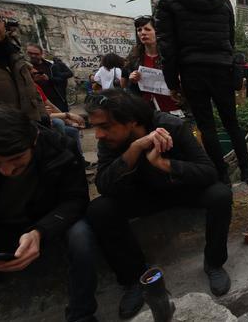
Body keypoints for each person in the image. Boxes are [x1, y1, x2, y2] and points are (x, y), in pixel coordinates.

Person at [84, 89, 232, 319]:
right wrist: (135, 149)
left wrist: (165, 164)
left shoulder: (170, 125)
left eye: (105, 126)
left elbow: (208, 172)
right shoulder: (111, 142)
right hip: (141, 197)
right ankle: (134, 280)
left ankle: (214, 263)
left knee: (220, 194)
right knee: (99, 210)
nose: (98, 135)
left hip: (178, 190)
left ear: (131, 121)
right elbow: (104, 185)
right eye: (96, 127)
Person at [0, 102, 97, 322]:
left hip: (44, 223)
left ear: (33, 141)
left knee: (81, 234)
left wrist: (39, 232)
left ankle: (81, 314)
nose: (7, 170)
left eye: (16, 160)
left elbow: (75, 200)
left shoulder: (59, 148)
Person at [155, 0, 248, 185]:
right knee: (231, 122)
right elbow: (230, 40)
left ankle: (221, 177)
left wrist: (172, 82)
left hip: (192, 69)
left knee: (206, 125)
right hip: (221, 67)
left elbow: (166, 43)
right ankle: (247, 172)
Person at [122, 16, 178, 112]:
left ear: (157, 32)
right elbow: (127, 85)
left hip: (173, 108)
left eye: (147, 29)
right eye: (139, 30)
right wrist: (132, 79)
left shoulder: (171, 54)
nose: (143, 32)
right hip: (145, 109)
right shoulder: (134, 57)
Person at [26, 43, 74, 112]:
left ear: (41, 54)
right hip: (39, 102)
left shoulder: (51, 65)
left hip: (57, 100)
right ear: (26, 52)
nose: (33, 56)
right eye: (30, 53)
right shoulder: (25, 68)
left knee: (66, 119)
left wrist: (49, 79)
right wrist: (33, 80)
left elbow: (61, 79)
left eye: (36, 54)